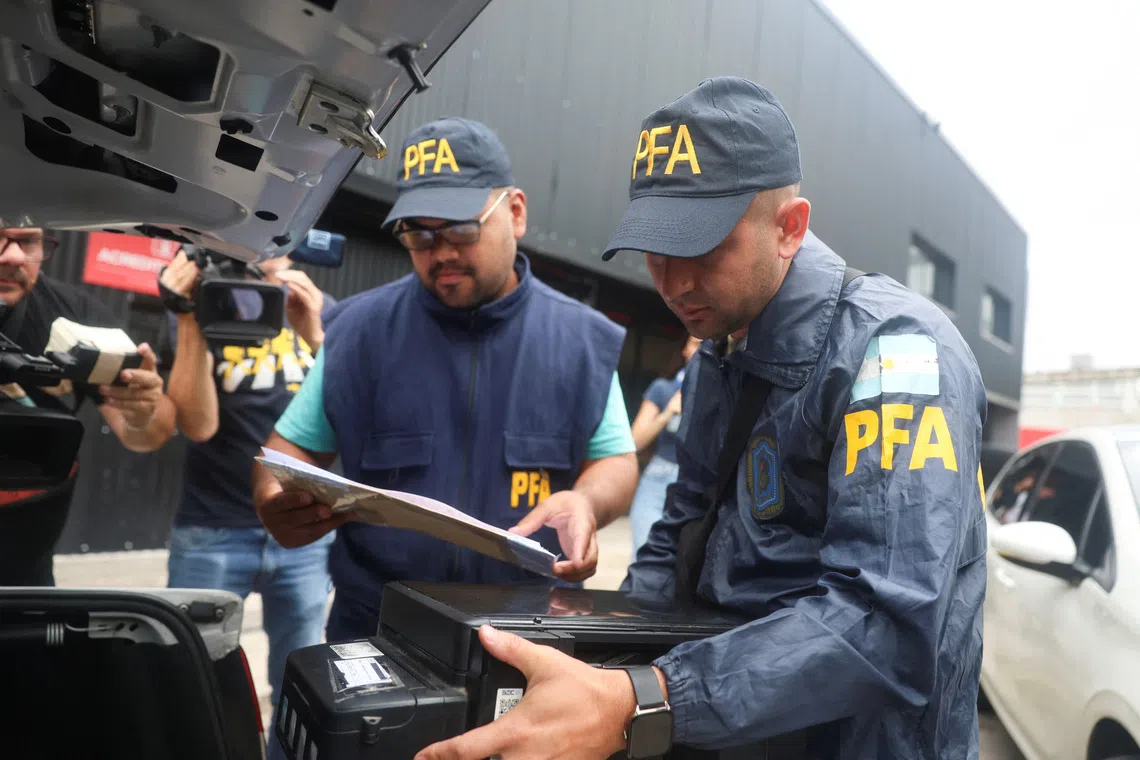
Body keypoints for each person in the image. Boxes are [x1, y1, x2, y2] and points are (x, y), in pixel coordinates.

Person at [413, 78, 988, 760]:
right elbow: (684, 531)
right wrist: (600, 661)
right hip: (729, 727)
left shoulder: (896, 354)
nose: (673, 282)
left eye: (703, 249)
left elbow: (885, 623)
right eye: (655, 249)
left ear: (789, 227)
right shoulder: (720, 348)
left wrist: (647, 698)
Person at [251, 117, 640, 641]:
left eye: (461, 229)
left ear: (516, 213)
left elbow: (615, 460)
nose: (442, 252)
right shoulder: (359, 333)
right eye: (419, 234)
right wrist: (277, 500)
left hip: (525, 633)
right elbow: (284, 455)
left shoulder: (578, 340)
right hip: (378, 630)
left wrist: (587, 502)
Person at [158, 248, 335, 737]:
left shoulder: (319, 308)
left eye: (276, 246)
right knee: (191, 676)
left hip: (302, 529)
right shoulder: (207, 308)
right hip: (213, 526)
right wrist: (190, 316)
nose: (264, 259)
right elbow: (197, 424)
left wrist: (318, 333)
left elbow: (352, 414)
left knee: (299, 682)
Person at [0, 227, 176, 586]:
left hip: (26, 567)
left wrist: (143, 409)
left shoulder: (75, 315)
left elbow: (145, 433)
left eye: (29, 241)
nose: (14, 256)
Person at [628, 333, 700, 555]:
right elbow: (634, 442)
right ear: (685, 349)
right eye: (696, 344)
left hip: (697, 484)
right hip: (658, 478)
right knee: (645, 553)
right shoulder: (663, 388)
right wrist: (667, 413)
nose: (701, 350)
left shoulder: (723, 391)